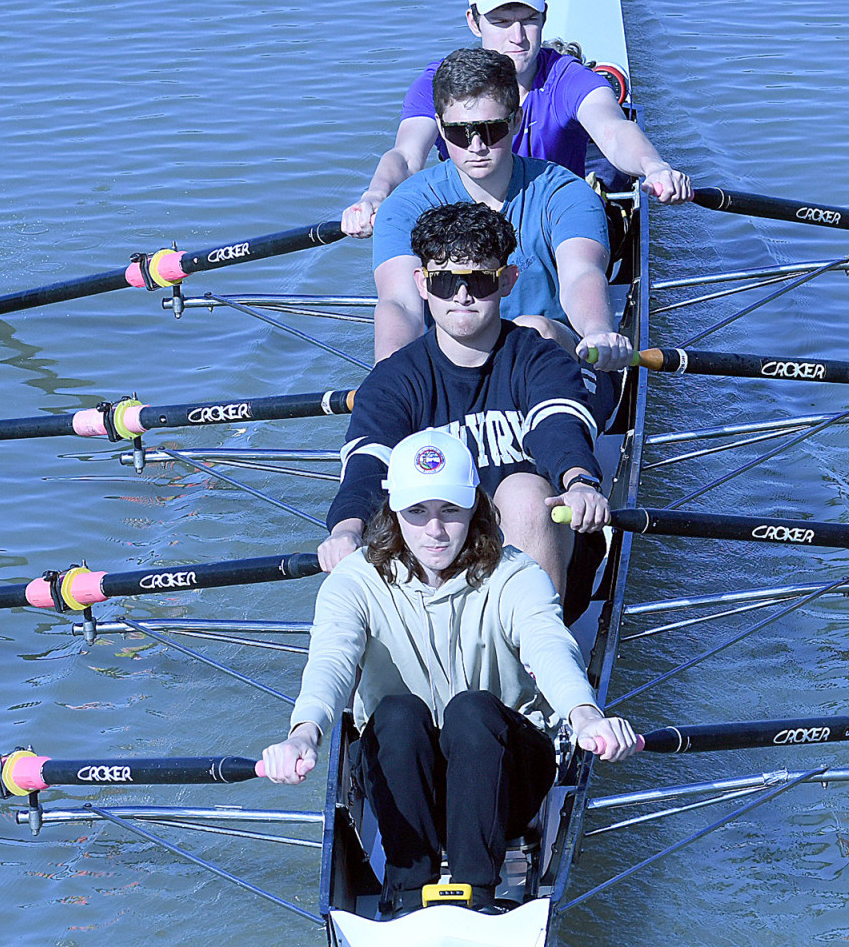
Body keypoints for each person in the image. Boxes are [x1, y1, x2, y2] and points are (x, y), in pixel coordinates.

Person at [261, 428, 639, 919]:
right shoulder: (353, 581)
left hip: (506, 780)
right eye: (417, 513)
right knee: (394, 715)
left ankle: (476, 896)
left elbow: (549, 643)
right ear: (394, 512)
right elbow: (331, 662)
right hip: (405, 778)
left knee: (471, 711)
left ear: (474, 509)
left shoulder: (513, 572)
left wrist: (586, 717)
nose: (434, 531)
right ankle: (407, 890)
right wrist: (303, 735)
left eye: (450, 511)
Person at [320, 200, 611, 600]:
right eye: (444, 281)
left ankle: (535, 650)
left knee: (524, 493)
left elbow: (558, 427)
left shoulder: (540, 359)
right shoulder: (393, 381)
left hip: (537, 559)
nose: (461, 295)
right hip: (441, 559)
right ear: (422, 284)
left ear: (507, 281)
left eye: (479, 280)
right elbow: (369, 468)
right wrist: (346, 530)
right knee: (393, 525)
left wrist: (580, 482)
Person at [341, 0, 692, 238]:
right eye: (502, 22)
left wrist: (654, 166)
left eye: (529, 19)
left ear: (545, 16)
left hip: (555, 226)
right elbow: (405, 156)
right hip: (472, 234)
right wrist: (375, 196)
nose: (518, 37)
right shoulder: (442, 84)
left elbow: (613, 131)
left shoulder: (566, 78)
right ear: (473, 22)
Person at [366, 46, 631, 370]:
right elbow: (399, 304)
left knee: (534, 330)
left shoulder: (565, 193)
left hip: (557, 362)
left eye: (491, 129)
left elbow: (581, 275)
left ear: (516, 120)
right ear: (439, 126)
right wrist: (388, 378)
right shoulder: (405, 206)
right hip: (456, 368)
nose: (476, 146)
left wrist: (598, 331)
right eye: (458, 132)